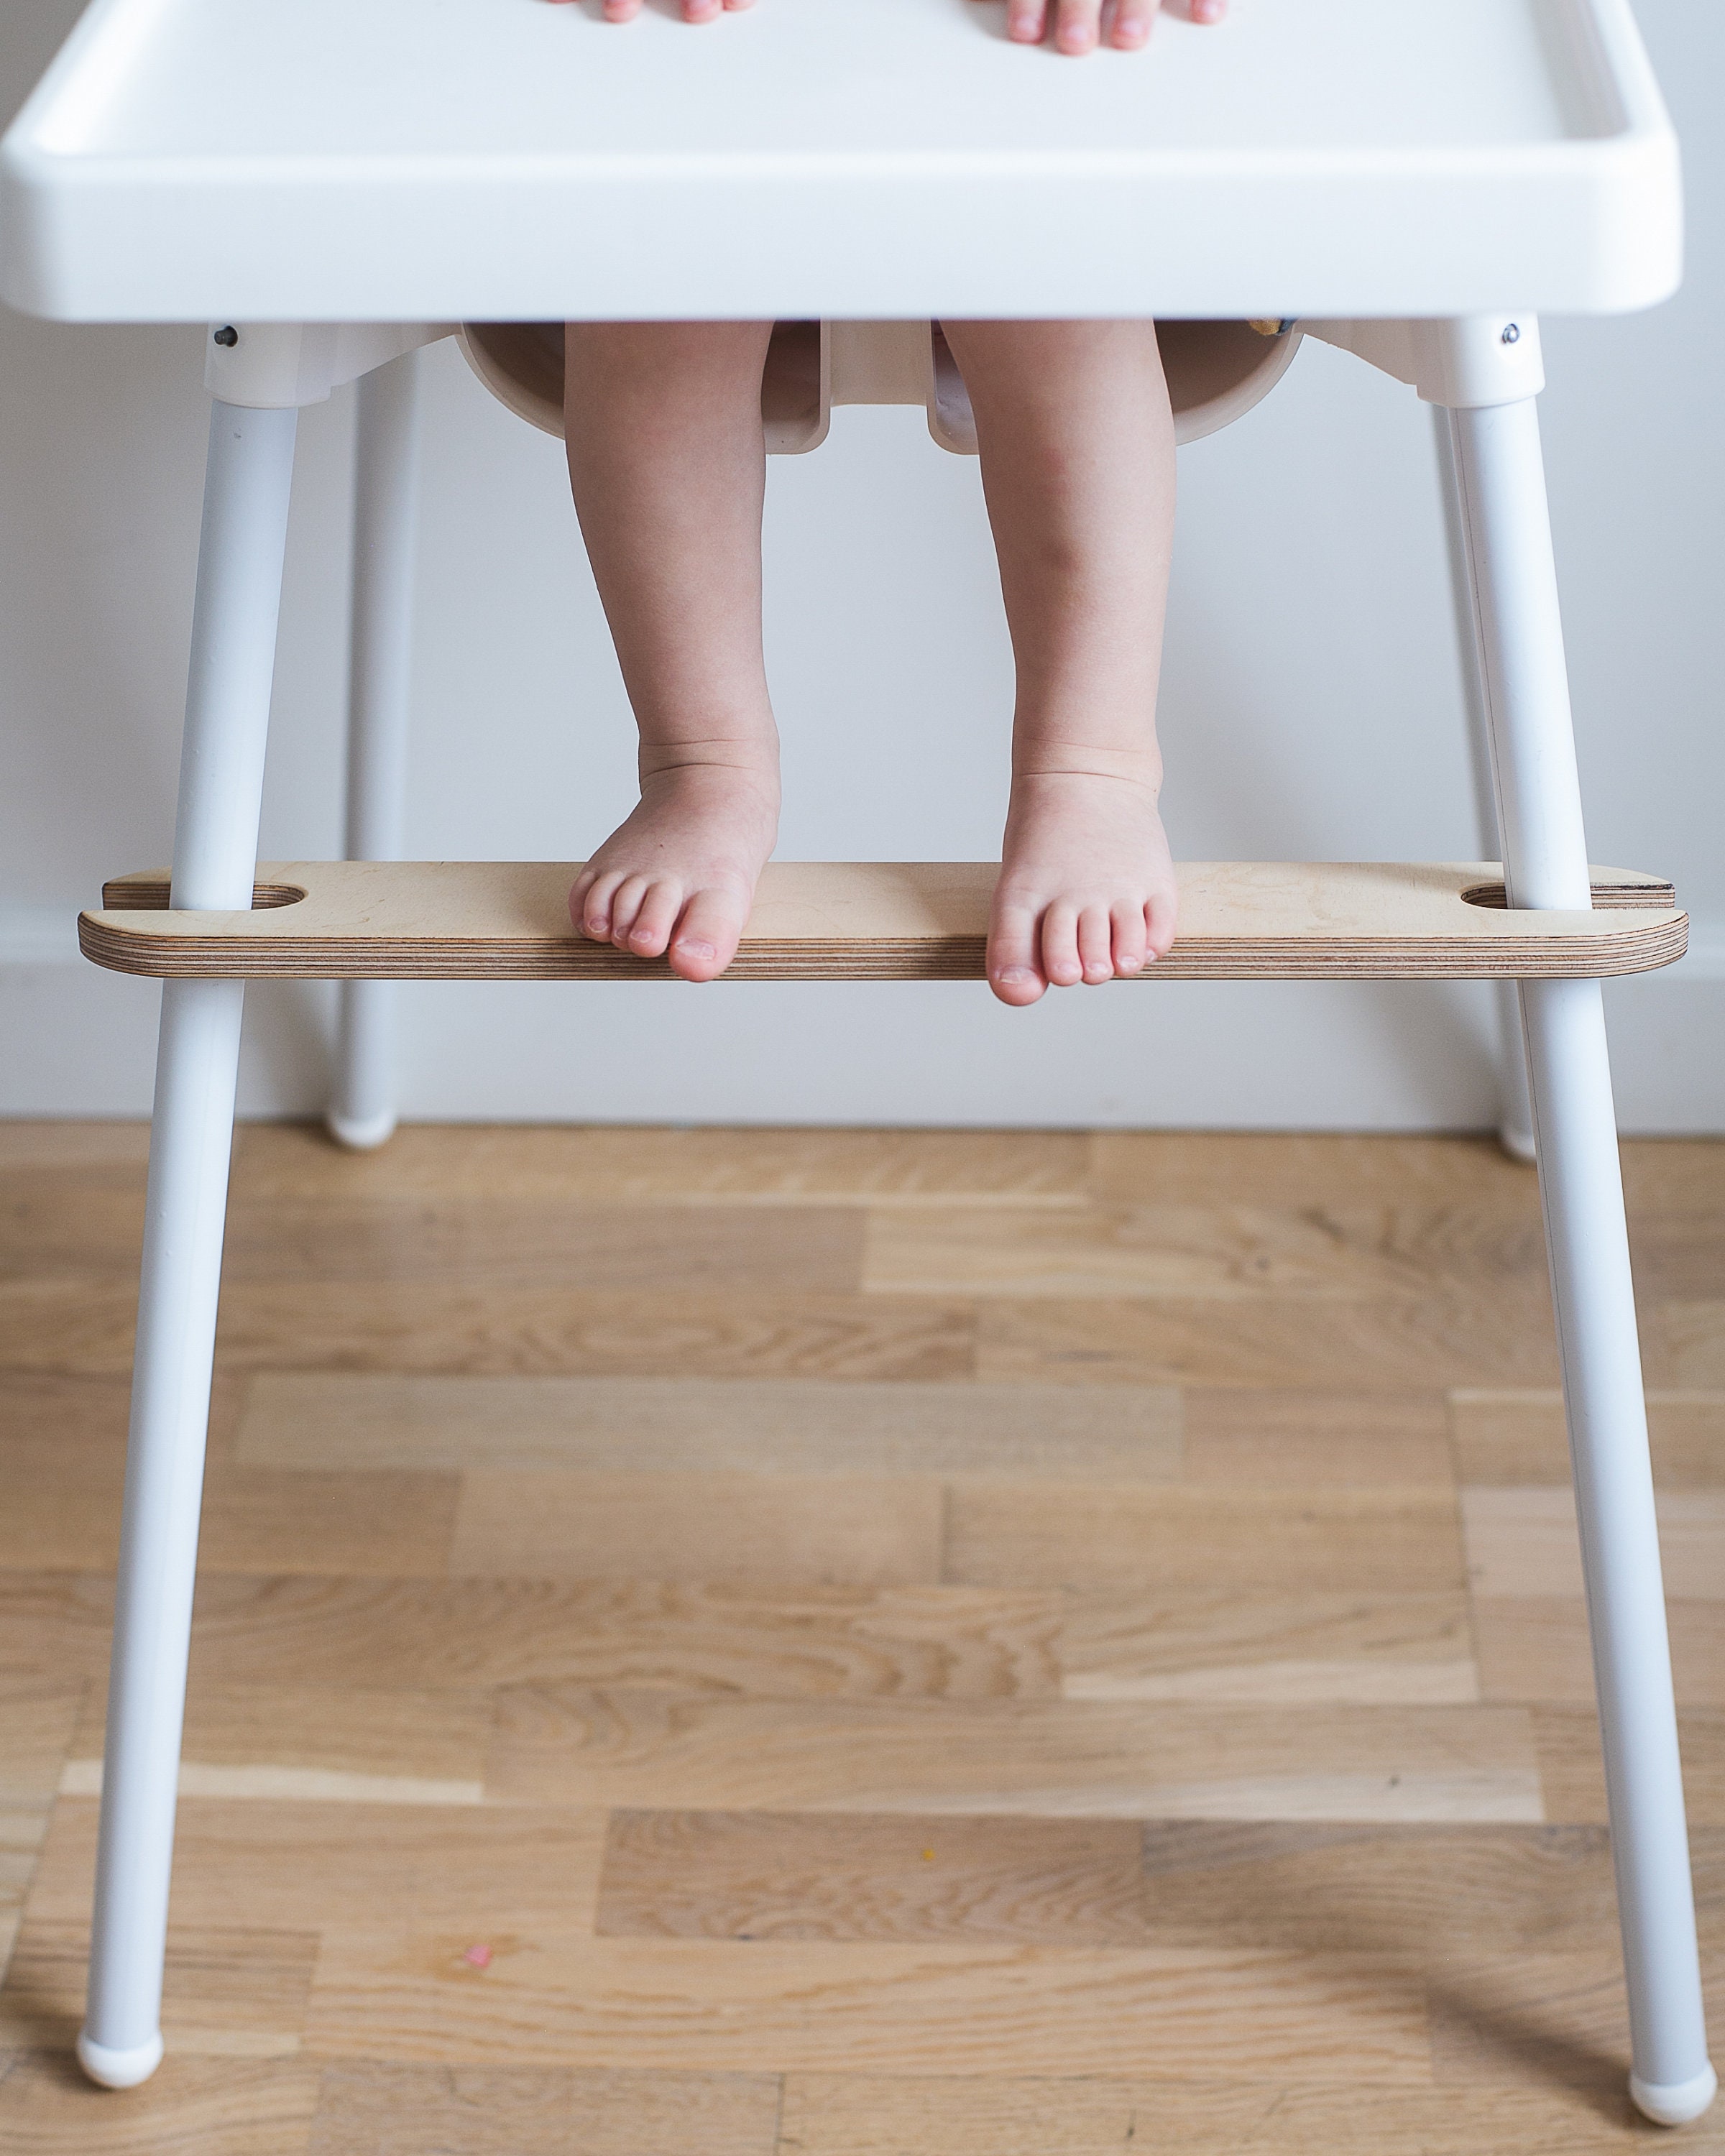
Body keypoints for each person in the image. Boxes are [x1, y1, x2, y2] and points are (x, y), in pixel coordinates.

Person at [556, 0, 1228, 1004]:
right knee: (660, 261)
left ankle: (1093, 769)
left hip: (1048, 121)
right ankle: (703, 761)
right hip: (708, 106)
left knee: (1049, 259)